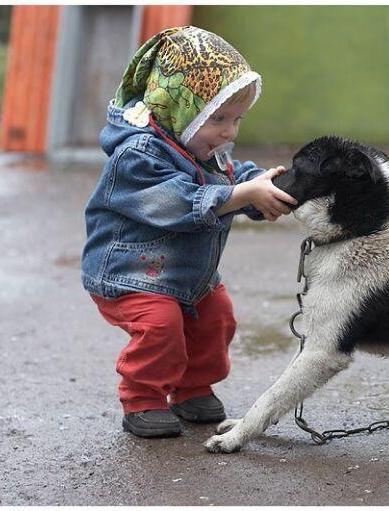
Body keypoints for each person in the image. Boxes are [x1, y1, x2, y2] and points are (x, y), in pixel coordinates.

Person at [81, 26, 296, 438]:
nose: (230, 132)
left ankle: (192, 388)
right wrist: (238, 194)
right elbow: (178, 203)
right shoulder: (136, 156)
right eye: (218, 118)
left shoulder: (205, 147)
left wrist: (270, 188)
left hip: (188, 274)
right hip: (132, 274)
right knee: (161, 327)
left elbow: (236, 177)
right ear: (179, 108)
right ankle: (142, 397)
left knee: (217, 318)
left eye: (237, 119)